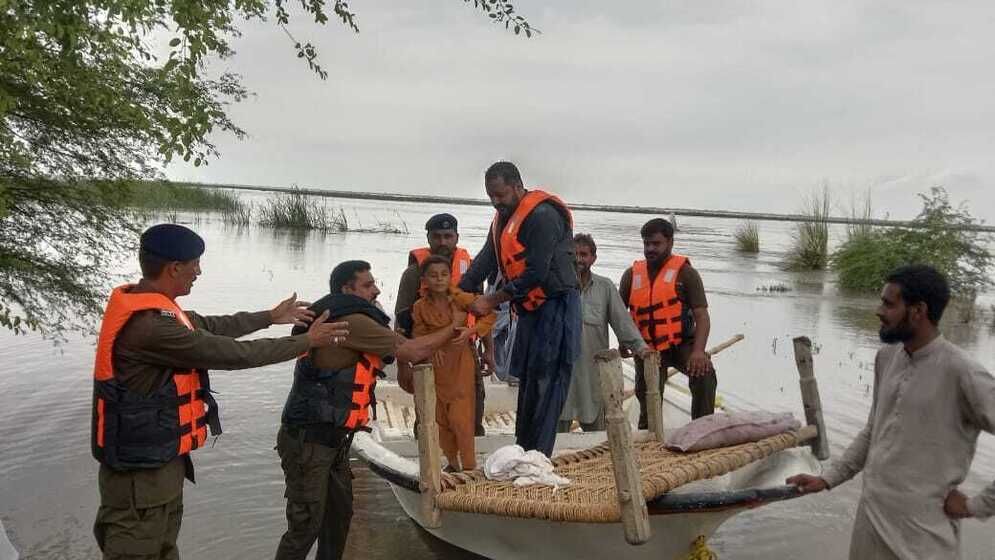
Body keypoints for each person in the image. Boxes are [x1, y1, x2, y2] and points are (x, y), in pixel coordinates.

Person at [91, 223, 350, 560]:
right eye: (195, 264)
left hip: (158, 470)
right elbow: (233, 355)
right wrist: (307, 341)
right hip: (138, 481)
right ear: (174, 268)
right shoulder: (150, 327)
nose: (198, 272)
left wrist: (269, 317)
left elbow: (213, 326)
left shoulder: (159, 310)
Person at [787, 265, 995, 559]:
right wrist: (827, 478)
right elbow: (874, 431)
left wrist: (977, 506)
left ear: (918, 311)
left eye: (888, 304)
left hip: (923, 541)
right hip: (870, 527)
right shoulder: (887, 358)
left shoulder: (963, 372)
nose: (878, 311)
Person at [276, 260, 459, 560]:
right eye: (368, 285)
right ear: (346, 290)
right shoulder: (353, 322)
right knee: (305, 527)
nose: (376, 290)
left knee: (338, 520)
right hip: (309, 441)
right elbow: (414, 351)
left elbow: (405, 346)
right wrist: (456, 326)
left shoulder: (354, 317)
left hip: (332, 441)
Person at [460, 161, 581, 457]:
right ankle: (523, 449)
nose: (495, 201)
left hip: (557, 306)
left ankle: (539, 457)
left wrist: (490, 300)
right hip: (529, 310)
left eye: (500, 195)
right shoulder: (502, 219)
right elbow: (486, 259)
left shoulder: (542, 216)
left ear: (517, 186)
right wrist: (459, 291)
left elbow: (537, 271)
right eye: (490, 196)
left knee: (547, 381)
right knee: (527, 380)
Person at [395, 213, 490, 436]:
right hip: (428, 353)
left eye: (448, 236)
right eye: (437, 237)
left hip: (464, 350)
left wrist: (489, 351)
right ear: (428, 238)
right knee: (429, 415)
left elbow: (482, 312)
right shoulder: (413, 274)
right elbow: (401, 321)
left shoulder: (471, 272)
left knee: (472, 412)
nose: (443, 242)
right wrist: (402, 365)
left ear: (457, 237)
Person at [619, 218, 715, 425]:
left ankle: (703, 428)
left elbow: (702, 316)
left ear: (670, 242)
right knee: (648, 396)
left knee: (705, 374)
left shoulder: (686, 274)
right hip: (647, 349)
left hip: (681, 344)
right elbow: (620, 315)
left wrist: (699, 351)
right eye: (646, 244)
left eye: (656, 244)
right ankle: (649, 434)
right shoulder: (631, 275)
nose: (650, 249)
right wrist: (623, 341)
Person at [412, 255, 496, 471]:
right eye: (433, 275)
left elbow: (489, 315)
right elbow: (419, 335)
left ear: (450, 277)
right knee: (441, 417)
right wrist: (431, 351)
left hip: (461, 361)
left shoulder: (461, 299)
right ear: (424, 280)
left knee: (462, 417)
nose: (439, 279)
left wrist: (471, 330)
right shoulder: (419, 306)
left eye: (444, 274)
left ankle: (468, 466)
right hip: (437, 364)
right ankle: (451, 462)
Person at [558, 234, 649, 432]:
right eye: (574, 254)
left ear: (593, 258)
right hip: (561, 373)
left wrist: (641, 349)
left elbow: (622, 323)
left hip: (592, 374)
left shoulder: (605, 287)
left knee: (597, 434)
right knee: (556, 434)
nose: (579, 259)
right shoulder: (556, 285)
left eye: (584, 254)